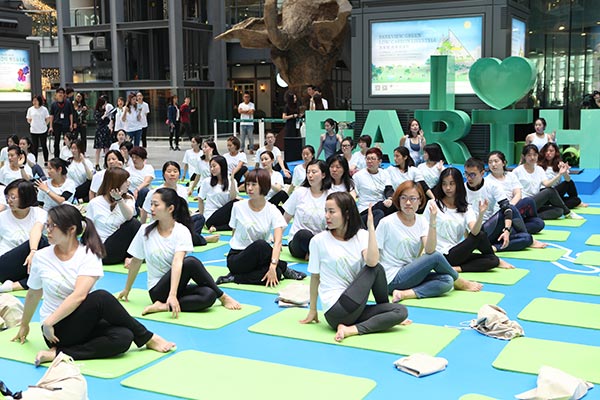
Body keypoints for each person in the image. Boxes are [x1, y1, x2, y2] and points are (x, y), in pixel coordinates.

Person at [12, 204, 175, 366]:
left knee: (124, 337)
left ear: (71, 230)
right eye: (47, 225)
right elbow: (34, 294)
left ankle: (59, 354)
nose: (47, 230)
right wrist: (26, 324)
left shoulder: (89, 255)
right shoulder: (41, 257)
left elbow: (79, 296)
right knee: (102, 297)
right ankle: (148, 337)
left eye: (52, 226)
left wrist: (48, 322)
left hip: (83, 321)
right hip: (56, 330)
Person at [300, 192, 408, 342]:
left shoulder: (361, 236)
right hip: (335, 311)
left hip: (355, 308)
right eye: (325, 211)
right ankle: (380, 312)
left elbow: (372, 260)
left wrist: (371, 229)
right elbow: (315, 277)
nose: (327, 216)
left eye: (331, 212)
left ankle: (352, 329)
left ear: (347, 214)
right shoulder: (318, 241)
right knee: (375, 269)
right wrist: (312, 310)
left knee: (400, 311)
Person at [119, 188, 241, 316]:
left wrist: (173, 294)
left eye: (156, 205)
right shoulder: (145, 230)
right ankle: (223, 296)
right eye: (151, 205)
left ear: (170, 208)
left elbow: (177, 262)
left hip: (179, 286)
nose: (152, 209)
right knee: (191, 262)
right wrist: (127, 289)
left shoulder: (181, 231)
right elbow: (137, 261)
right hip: (158, 291)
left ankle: (165, 306)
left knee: (209, 295)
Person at [376, 181, 483, 303]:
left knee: (447, 280)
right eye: (403, 198)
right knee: (438, 258)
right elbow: (374, 255)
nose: (408, 203)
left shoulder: (421, 221)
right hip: (391, 278)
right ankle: (460, 281)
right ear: (398, 200)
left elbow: (429, 250)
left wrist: (433, 222)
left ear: (420, 201)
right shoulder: (386, 222)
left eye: (412, 198)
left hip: (410, 273)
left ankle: (404, 294)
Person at [216, 169, 306, 286]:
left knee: (276, 274)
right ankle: (284, 267)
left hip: (260, 259)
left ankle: (235, 278)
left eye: (254, 184)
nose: (249, 188)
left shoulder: (272, 209)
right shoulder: (238, 207)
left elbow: (278, 241)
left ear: (264, 186)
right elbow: (234, 233)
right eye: (248, 184)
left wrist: (273, 267)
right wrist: (274, 263)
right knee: (261, 245)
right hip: (238, 258)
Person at [428, 168, 513, 272]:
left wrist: (481, 214)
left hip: (456, 252)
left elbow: (474, 231)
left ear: (458, 185)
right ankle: (452, 266)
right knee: (481, 237)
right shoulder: (433, 204)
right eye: (444, 184)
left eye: (452, 184)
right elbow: (422, 231)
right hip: (440, 254)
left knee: (493, 260)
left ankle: (456, 269)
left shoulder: (466, 207)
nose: (448, 188)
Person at [464, 157, 534, 252]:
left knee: (527, 238)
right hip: (476, 231)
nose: (469, 178)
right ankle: (494, 245)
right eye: (466, 174)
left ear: (482, 173)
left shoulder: (492, 185)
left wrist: (506, 230)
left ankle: (494, 247)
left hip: (491, 227)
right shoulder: (462, 189)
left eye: (472, 175)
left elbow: (507, 208)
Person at [141, 161, 217, 246]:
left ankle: (189, 238)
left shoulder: (183, 190)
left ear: (179, 174)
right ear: (163, 174)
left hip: (180, 223)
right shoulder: (155, 192)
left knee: (200, 218)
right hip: (162, 225)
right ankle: (201, 239)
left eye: (175, 171)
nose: (172, 174)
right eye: (169, 171)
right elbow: (144, 211)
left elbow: (185, 211)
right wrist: (142, 231)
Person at [0, 180, 48, 293]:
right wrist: (33, 251)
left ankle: (14, 286)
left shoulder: (39, 213)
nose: (9, 200)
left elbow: (37, 229)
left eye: (13, 197)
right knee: (43, 241)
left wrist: (33, 252)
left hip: (30, 264)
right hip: (5, 264)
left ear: (26, 197)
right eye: (8, 196)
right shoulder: (2, 217)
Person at [512, 145, 583, 220]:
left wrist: (560, 174)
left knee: (559, 211)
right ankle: (568, 213)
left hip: (536, 202)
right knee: (549, 191)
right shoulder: (517, 171)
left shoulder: (539, 169)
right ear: (524, 156)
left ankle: (529, 217)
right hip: (524, 202)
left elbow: (547, 184)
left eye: (534, 155)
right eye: (529, 155)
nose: (532, 157)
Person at [86, 167, 140, 265]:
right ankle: (137, 257)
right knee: (134, 224)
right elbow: (89, 229)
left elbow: (129, 216)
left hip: (123, 246)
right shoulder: (95, 203)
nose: (128, 183)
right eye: (125, 181)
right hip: (104, 249)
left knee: (135, 224)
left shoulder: (128, 198)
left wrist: (119, 200)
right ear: (116, 183)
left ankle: (134, 257)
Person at [487, 150, 545, 236]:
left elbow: (518, 194)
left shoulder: (511, 176)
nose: (493, 165)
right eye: (490, 162)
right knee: (528, 201)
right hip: (501, 214)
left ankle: (513, 229)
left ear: (504, 163)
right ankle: (513, 229)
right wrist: (508, 209)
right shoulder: (488, 181)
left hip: (512, 208)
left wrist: (510, 207)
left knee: (539, 223)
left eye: (496, 161)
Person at [283, 160, 330, 260]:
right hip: (299, 243)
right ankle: (314, 253)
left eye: (314, 172)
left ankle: (314, 253)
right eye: (308, 172)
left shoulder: (331, 196)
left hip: (320, 242)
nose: (310, 175)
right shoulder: (299, 192)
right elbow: (286, 218)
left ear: (323, 175)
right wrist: (277, 241)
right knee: (303, 234)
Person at [353, 147, 395, 227]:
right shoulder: (358, 176)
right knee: (379, 212)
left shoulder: (384, 173)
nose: (369, 161)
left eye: (373, 159)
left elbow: (388, 189)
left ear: (379, 161)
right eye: (368, 158)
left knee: (396, 204)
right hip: (365, 208)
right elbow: (353, 193)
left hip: (382, 205)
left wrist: (390, 198)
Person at [538, 142, 587, 209]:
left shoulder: (559, 164)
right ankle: (555, 205)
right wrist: (559, 174)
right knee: (556, 190)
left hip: (555, 192)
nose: (548, 153)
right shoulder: (539, 165)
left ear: (556, 152)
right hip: (543, 192)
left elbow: (568, 180)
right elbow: (546, 185)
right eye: (546, 151)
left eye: (551, 151)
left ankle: (552, 205)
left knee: (575, 198)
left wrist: (564, 171)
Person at [199, 155, 238, 232]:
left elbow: (233, 198)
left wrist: (232, 179)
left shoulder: (231, 181)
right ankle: (216, 226)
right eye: (210, 167)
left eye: (214, 166)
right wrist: (201, 217)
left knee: (240, 222)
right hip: (211, 217)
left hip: (225, 216)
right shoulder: (207, 181)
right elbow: (200, 200)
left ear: (222, 166)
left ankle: (217, 228)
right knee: (236, 202)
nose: (212, 169)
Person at [48, 88, 74, 158]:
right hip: (57, 124)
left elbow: (70, 114)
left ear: (64, 94)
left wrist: (71, 124)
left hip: (66, 123)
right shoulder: (53, 104)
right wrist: (51, 126)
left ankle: (67, 155)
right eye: (59, 93)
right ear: (56, 94)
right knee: (56, 141)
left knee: (67, 140)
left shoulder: (68, 103)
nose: (60, 94)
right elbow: (51, 115)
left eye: (62, 93)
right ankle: (56, 157)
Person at [26, 94, 50, 165]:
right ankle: (35, 161)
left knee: (44, 145)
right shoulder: (30, 109)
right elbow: (28, 119)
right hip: (34, 130)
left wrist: (44, 124)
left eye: (36, 100)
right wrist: (32, 124)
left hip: (43, 130)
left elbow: (47, 119)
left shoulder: (44, 109)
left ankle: (46, 160)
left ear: (39, 101)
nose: (34, 102)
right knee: (35, 147)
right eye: (33, 100)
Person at [93, 96, 113, 171]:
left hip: (106, 129)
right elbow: (98, 121)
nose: (105, 105)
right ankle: (97, 163)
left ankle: (106, 162)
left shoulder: (106, 110)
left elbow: (110, 119)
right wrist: (104, 115)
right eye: (104, 104)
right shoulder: (97, 111)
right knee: (98, 148)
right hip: (100, 130)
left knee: (107, 147)